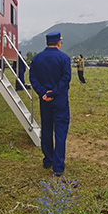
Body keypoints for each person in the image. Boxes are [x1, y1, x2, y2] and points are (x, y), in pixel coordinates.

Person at [29, 31, 72, 177]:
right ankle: (58, 167)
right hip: (60, 101)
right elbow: (66, 78)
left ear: (47, 42)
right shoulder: (64, 58)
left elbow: (33, 78)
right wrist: (53, 92)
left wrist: (43, 93)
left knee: (46, 130)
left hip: (44, 101)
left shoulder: (37, 59)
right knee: (60, 132)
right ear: (59, 42)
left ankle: (48, 160)